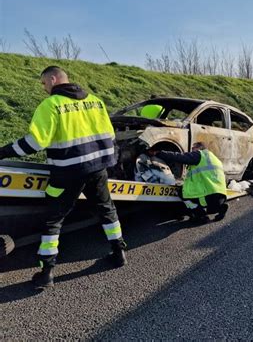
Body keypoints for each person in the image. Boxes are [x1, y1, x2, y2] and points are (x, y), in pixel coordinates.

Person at [0, 66, 127, 289]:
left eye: (43, 83)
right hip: (97, 169)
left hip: (68, 173)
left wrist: (3, 152)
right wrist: (110, 162)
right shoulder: (96, 101)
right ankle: (119, 252)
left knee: (53, 220)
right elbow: (110, 135)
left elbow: (35, 142)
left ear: (53, 78)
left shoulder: (51, 105)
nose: (44, 88)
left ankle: (47, 273)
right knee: (107, 209)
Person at [156, 142, 228, 224]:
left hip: (209, 194)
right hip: (221, 194)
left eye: (193, 149)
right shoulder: (214, 159)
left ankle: (201, 215)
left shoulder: (199, 155)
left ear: (199, 148)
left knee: (182, 193)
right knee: (212, 206)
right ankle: (221, 207)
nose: (191, 152)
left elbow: (179, 157)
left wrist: (160, 153)